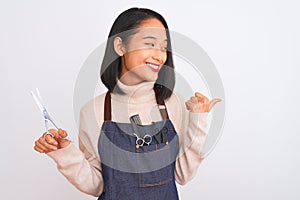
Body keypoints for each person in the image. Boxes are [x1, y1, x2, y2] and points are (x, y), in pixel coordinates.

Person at [33, 7, 221, 200]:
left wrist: (198, 120)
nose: (160, 55)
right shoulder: (94, 111)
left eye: (164, 47)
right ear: (120, 47)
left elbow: (182, 175)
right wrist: (64, 153)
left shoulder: (172, 104)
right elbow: (97, 186)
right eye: (150, 44)